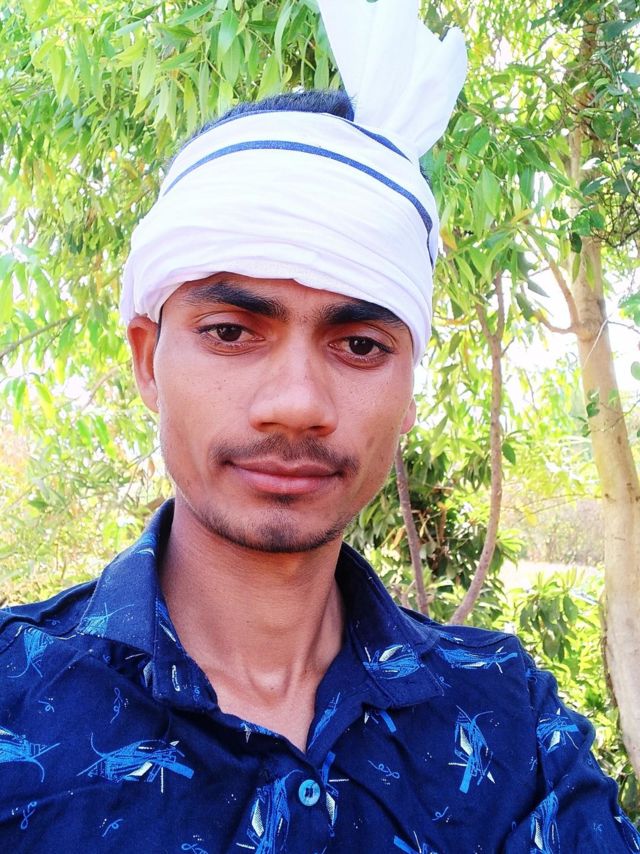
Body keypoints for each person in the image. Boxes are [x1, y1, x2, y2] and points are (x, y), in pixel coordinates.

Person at [1, 0, 638, 851]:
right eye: (231, 333)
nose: (298, 402)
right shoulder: (15, 702)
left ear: (410, 388)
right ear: (148, 361)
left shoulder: (510, 721)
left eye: (360, 344)